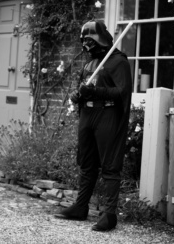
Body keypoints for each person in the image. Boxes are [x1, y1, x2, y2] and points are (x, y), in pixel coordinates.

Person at [55, 20, 132, 231]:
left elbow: (122, 93)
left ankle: (109, 215)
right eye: (84, 41)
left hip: (107, 115)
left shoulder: (118, 62)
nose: (87, 45)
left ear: (101, 39)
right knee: (87, 164)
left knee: (109, 166)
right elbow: (84, 90)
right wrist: (77, 96)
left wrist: (96, 93)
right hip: (88, 115)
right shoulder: (90, 64)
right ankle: (81, 207)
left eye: (91, 40)